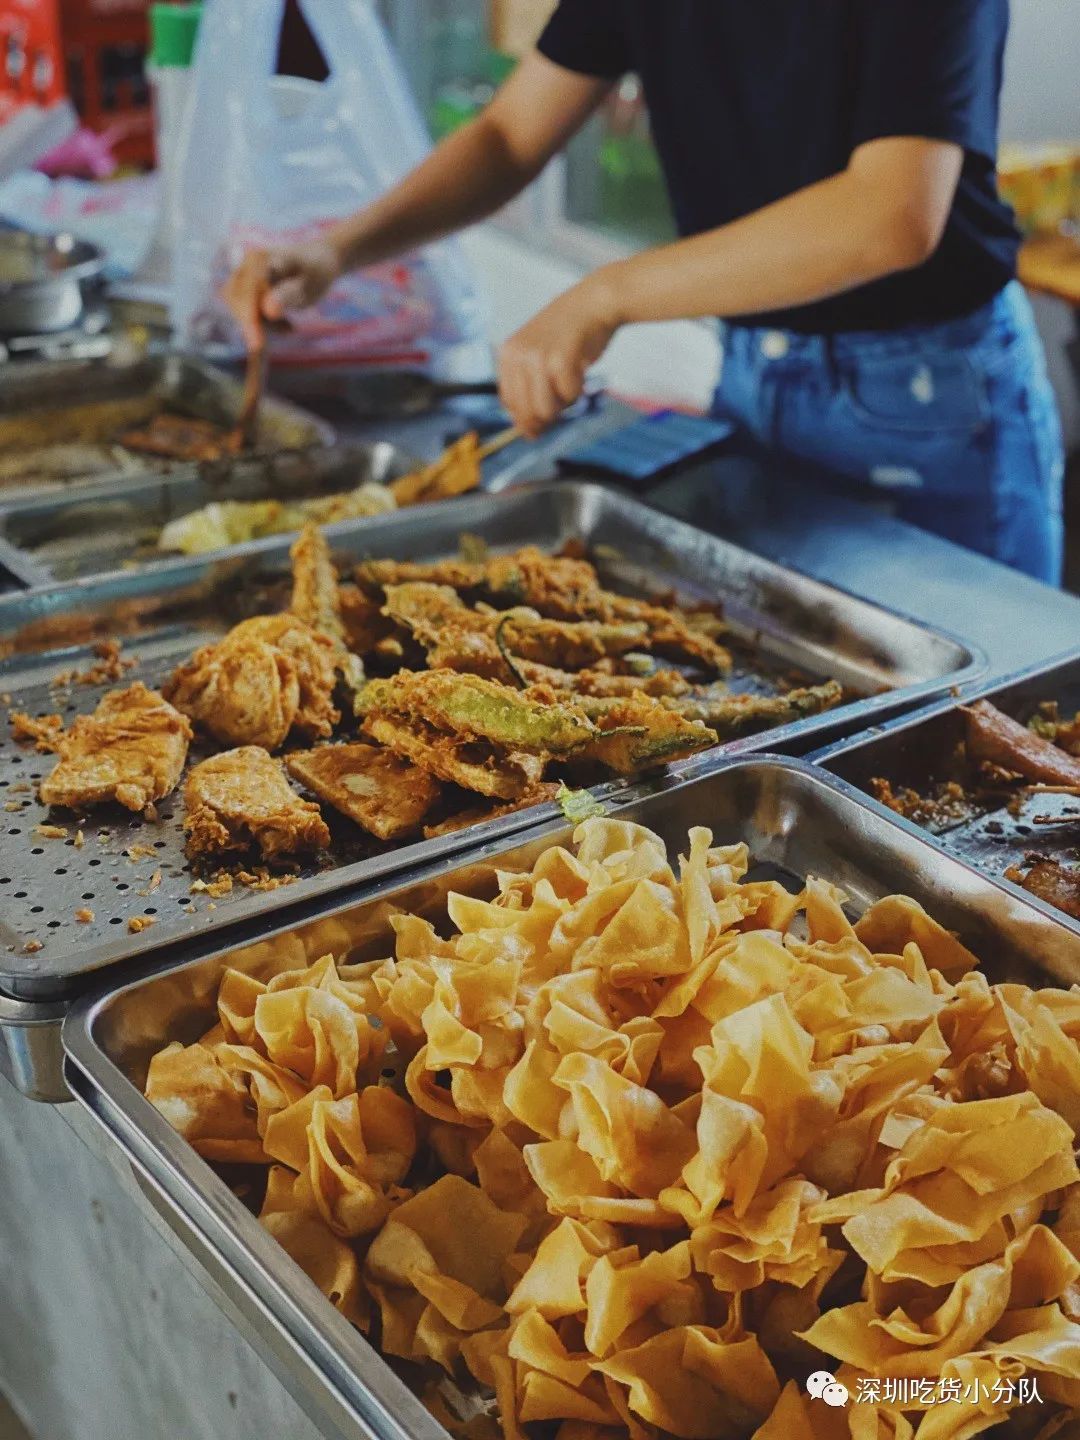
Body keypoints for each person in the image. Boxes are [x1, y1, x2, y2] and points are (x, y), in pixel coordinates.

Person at [225, 0, 1065, 584]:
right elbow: (510, 134)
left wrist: (608, 294)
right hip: (750, 373)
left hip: (934, 398)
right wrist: (339, 250)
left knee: (984, 752)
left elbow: (890, 214)